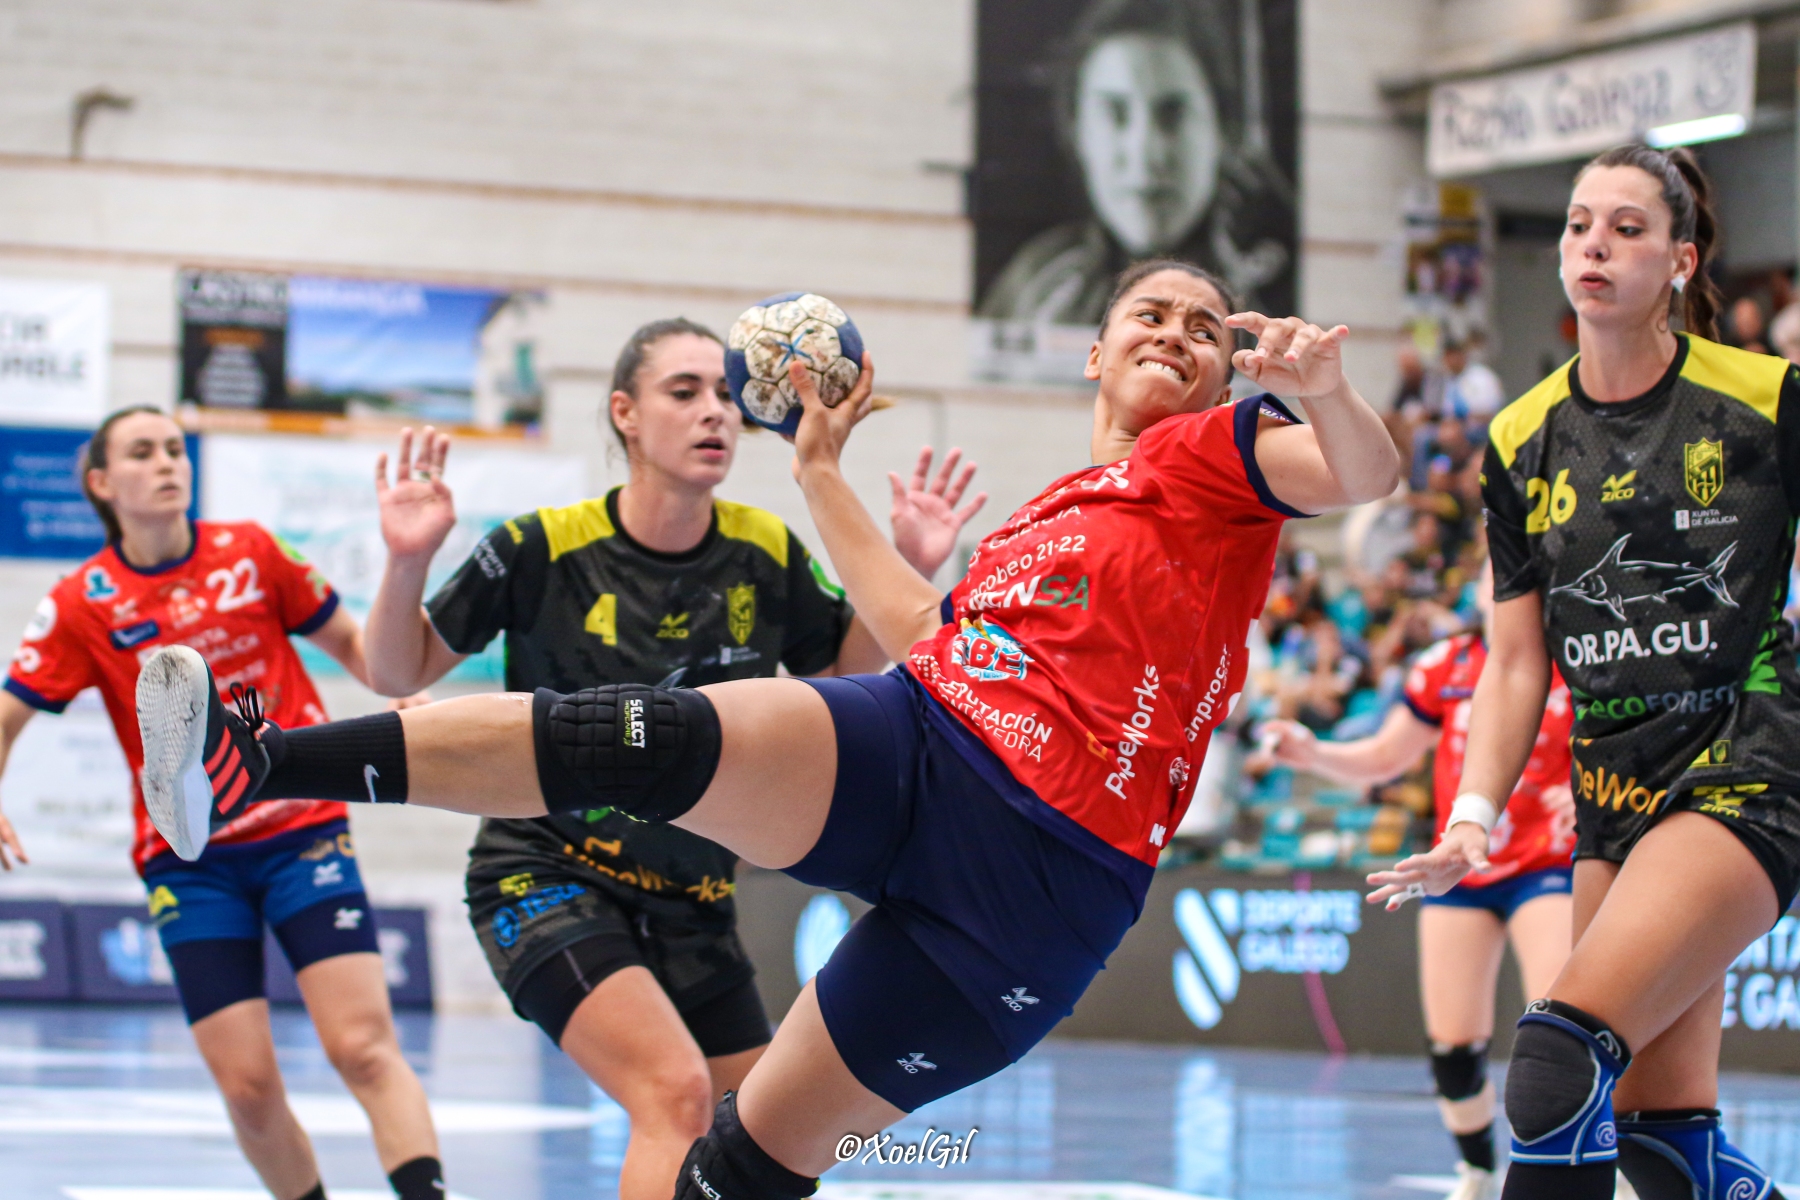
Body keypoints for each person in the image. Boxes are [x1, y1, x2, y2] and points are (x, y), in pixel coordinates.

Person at [136, 259, 1400, 1196]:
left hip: (1043, 879)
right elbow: (921, 627)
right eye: (1149, 314)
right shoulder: (1050, 513)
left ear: (1228, 371)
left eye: (1203, 326)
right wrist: (818, 473)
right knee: (638, 737)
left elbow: (1364, 474)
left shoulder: (1223, 455)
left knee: (737, 1163)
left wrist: (1327, 394)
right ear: (1095, 353)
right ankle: (252, 762)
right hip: (929, 741)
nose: (1175, 334)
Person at [359, 317, 984, 1200]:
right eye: (683, 393)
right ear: (625, 413)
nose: (714, 413)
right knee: (674, 1092)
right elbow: (397, 671)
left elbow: (839, 670)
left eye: (726, 394)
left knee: (760, 1138)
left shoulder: (764, 550)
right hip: (545, 873)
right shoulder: (542, 546)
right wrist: (407, 562)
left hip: (694, 903)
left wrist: (908, 562)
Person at [1367, 144, 1799, 1200]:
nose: (1593, 245)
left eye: (1626, 228)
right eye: (1576, 224)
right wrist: (1472, 815)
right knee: (1660, 1144)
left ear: (1681, 261)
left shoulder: (1767, 398)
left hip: (1748, 764)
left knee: (1556, 1066)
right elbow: (1516, 662)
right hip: (1613, 790)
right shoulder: (1521, 437)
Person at [0, 407, 444, 1200]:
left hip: (302, 833)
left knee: (362, 1048)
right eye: (143, 452)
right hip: (190, 860)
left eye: (175, 448)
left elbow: (357, 648)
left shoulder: (253, 550)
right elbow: (7, 718)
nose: (167, 463)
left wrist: (401, 688)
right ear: (102, 484)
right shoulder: (80, 602)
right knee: (247, 1088)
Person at [1258, 562, 1576, 1200]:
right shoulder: (1445, 666)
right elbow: (1385, 755)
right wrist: (1313, 752)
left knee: (1560, 1033)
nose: (1504, 589)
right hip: (1459, 866)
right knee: (1452, 1046)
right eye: (1491, 579)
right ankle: (1478, 1173)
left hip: (1549, 862)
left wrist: (1589, 791)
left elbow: (1626, 745)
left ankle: (1582, 1169)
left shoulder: (1575, 661)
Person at [976, 0, 1294, 329]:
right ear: (1077, 131)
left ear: (1224, 130)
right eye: (1114, 114)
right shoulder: (1035, 287)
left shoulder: (1280, 295)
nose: (1145, 154)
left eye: (1173, 114)